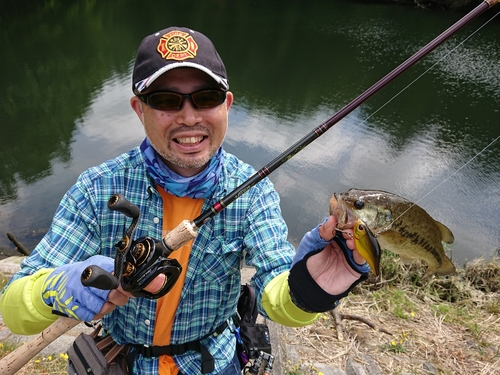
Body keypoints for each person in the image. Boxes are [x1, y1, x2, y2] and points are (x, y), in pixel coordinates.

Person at [0, 26, 370, 375]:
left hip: (214, 362)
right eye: (166, 100)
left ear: (227, 104)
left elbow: (277, 298)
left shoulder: (253, 191)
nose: (189, 117)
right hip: (122, 360)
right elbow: (13, 308)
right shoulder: (97, 188)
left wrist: (312, 286)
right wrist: (63, 287)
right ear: (138, 109)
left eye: (205, 98)